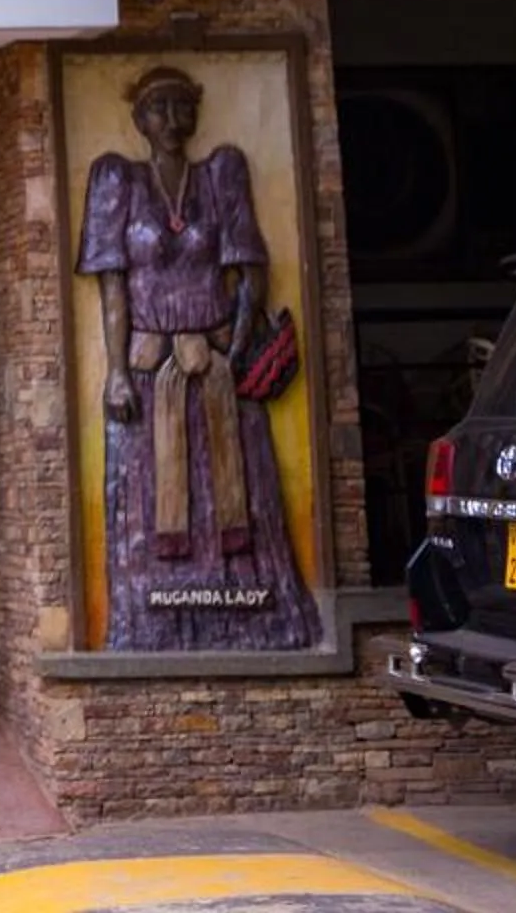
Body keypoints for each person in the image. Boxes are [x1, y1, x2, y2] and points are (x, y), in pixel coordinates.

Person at [77, 64, 320, 650]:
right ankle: (151, 626)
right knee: (149, 503)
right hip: (146, 368)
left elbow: (249, 270)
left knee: (235, 495)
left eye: (181, 106)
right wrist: (114, 373)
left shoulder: (219, 174)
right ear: (138, 118)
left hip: (215, 368)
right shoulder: (119, 181)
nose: (171, 119)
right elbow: (113, 287)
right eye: (158, 108)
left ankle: (255, 623)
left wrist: (237, 353)